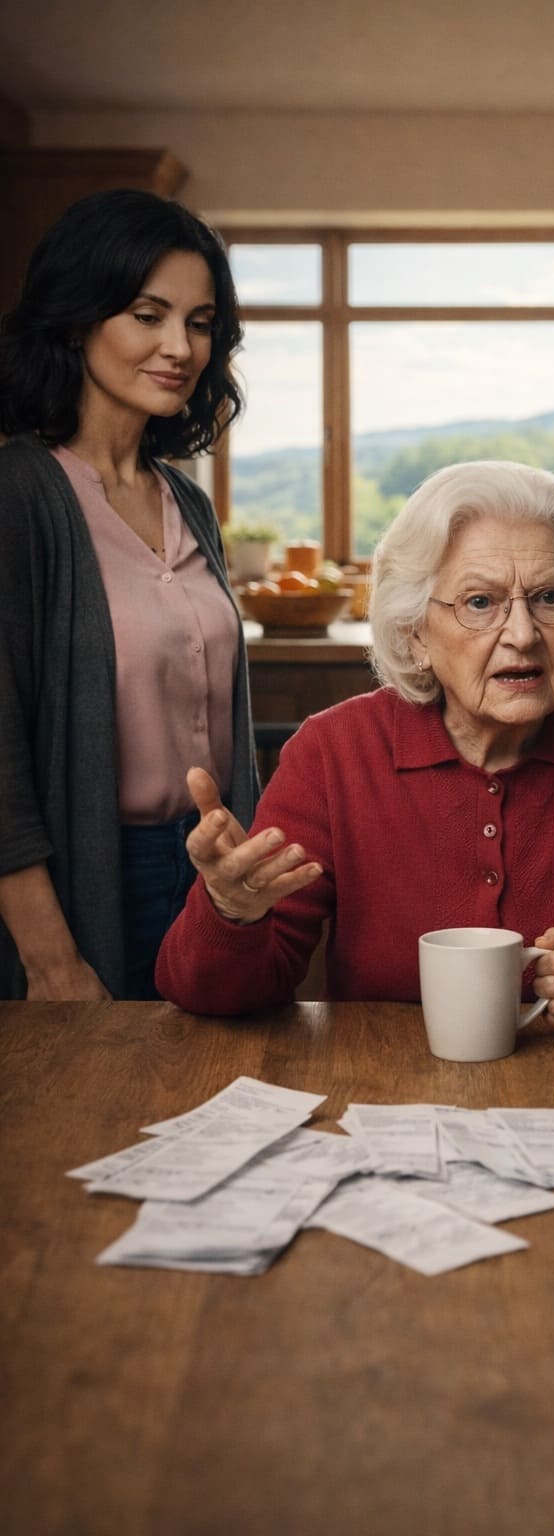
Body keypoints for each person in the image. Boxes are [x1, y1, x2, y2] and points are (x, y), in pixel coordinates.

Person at [156, 460, 554, 1020]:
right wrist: (232, 912)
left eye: (550, 598)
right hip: (391, 1093)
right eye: (480, 602)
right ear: (415, 633)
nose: (523, 634)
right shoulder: (334, 753)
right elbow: (216, 994)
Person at [0, 190, 259, 1001]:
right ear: (78, 319)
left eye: (200, 321)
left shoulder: (189, 504)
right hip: (89, 884)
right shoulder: (18, 496)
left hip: (212, 878)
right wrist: (50, 961)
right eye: (148, 315)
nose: (179, 346)